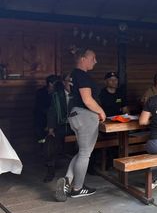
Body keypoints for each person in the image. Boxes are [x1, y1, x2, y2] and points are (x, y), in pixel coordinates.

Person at [55, 49, 106, 201]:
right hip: (85, 116)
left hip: (75, 115)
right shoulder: (81, 75)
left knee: (83, 152)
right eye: (93, 58)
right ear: (83, 58)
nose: (95, 61)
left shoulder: (73, 75)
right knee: (85, 153)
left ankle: (67, 179)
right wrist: (101, 111)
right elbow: (87, 100)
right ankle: (77, 188)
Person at [44, 74, 72, 182]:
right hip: (62, 125)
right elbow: (52, 112)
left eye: (73, 82)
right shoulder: (57, 95)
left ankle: (90, 167)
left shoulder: (80, 94)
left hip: (77, 125)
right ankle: (50, 170)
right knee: (51, 141)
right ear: (64, 82)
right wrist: (51, 128)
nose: (71, 84)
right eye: (69, 81)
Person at [34, 75, 58, 145]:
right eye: (57, 83)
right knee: (42, 140)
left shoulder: (57, 92)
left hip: (53, 121)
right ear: (50, 84)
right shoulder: (41, 92)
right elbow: (40, 107)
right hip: (41, 120)